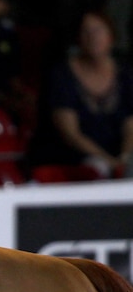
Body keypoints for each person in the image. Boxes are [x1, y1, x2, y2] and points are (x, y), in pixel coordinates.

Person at [31, 10, 133, 179]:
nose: (93, 37)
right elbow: (70, 134)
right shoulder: (61, 75)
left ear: (111, 36)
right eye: (87, 31)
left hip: (116, 155)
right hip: (71, 158)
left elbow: (130, 124)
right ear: (78, 38)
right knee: (97, 169)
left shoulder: (126, 74)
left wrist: (124, 158)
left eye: (99, 30)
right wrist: (109, 161)